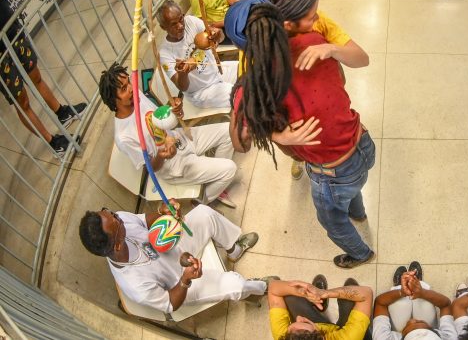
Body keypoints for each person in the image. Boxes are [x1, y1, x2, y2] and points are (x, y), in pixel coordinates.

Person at [230, 0, 374, 268]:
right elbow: (342, 78)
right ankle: (358, 212)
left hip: (332, 173)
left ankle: (361, 253)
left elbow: (240, 141)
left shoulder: (254, 82)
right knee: (354, 189)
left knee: (332, 221)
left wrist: (277, 136)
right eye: (310, 15)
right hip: (362, 142)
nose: (317, 18)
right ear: (284, 23)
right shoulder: (313, 39)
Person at [78, 202, 265, 314]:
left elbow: (144, 220)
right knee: (236, 285)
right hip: (180, 284)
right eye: (116, 221)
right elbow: (170, 303)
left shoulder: (117, 219)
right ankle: (261, 288)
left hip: (174, 249)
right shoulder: (134, 284)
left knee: (204, 214)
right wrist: (185, 279)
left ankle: (234, 250)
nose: (117, 216)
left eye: (109, 212)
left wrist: (163, 213)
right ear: (117, 245)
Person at [100, 62, 238, 208]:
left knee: (230, 131)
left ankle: (215, 179)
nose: (131, 89)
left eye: (128, 82)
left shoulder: (135, 94)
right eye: (123, 89)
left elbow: (160, 118)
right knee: (230, 169)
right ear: (113, 100)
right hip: (171, 165)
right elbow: (151, 168)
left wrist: (173, 109)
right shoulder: (124, 137)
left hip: (180, 137)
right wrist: (162, 155)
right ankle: (202, 201)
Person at [0, 0, 86, 157]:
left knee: (36, 76)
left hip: (13, 32)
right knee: (22, 101)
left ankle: (62, 112)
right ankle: (52, 142)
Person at [156, 1, 238, 110]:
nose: (180, 26)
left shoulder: (191, 21)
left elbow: (218, 39)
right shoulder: (165, 53)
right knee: (241, 96)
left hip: (218, 70)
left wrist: (218, 35)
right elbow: (182, 87)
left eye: (181, 19)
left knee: (252, 68)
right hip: (202, 91)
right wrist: (183, 73)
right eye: (173, 24)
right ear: (163, 27)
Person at [268, 276, 373, 339]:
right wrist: (325, 293)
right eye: (305, 322)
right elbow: (366, 294)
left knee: (290, 297)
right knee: (350, 299)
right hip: (342, 333)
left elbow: (273, 288)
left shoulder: (283, 336)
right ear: (322, 337)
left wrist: (303, 292)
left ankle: (319, 305)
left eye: (290, 327)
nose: (298, 317)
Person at [373, 262, 451, 339]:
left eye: (412, 329)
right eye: (425, 328)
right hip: (425, 328)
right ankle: (416, 283)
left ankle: (399, 285)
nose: (413, 320)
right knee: (425, 302)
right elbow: (446, 305)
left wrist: (401, 292)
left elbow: (380, 303)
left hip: (398, 327)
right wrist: (423, 293)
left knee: (401, 303)